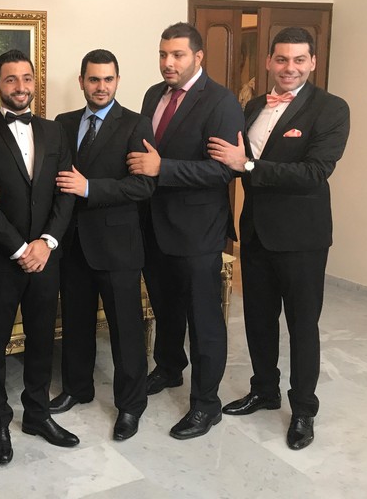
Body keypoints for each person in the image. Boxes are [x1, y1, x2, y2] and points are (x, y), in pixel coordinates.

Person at [207, 26, 350, 450]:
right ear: (269, 61)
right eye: (282, 59)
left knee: (302, 326)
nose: (290, 67)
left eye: (299, 59)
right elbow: (233, 158)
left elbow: (314, 173)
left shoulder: (331, 108)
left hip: (302, 238)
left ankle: (303, 409)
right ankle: (264, 390)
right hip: (256, 233)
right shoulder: (253, 105)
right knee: (258, 319)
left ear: (312, 62)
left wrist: (248, 166)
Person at [0, 49, 77, 465]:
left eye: (26, 78)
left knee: (42, 340)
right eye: (11, 79)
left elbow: (66, 192)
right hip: (1, 260)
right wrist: (20, 248)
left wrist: (47, 242)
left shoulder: (55, 131)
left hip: (47, 258)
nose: (21, 86)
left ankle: (37, 414)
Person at [127, 22, 244, 440]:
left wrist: (164, 168)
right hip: (153, 226)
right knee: (166, 307)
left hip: (198, 231)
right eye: (163, 54)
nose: (168, 63)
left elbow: (222, 170)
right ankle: (169, 367)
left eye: (177, 55)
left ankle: (206, 404)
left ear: (198, 56)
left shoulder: (221, 101)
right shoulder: (152, 95)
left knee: (203, 319)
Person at [50, 49, 156, 441]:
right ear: (82, 81)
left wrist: (89, 188)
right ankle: (77, 388)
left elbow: (142, 186)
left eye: (108, 79)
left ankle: (131, 405)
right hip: (73, 243)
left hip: (117, 245)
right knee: (75, 323)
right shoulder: (63, 123)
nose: (101, 86)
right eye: (93, 79)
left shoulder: (135, 123)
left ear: (117, 81)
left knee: (126, 331)